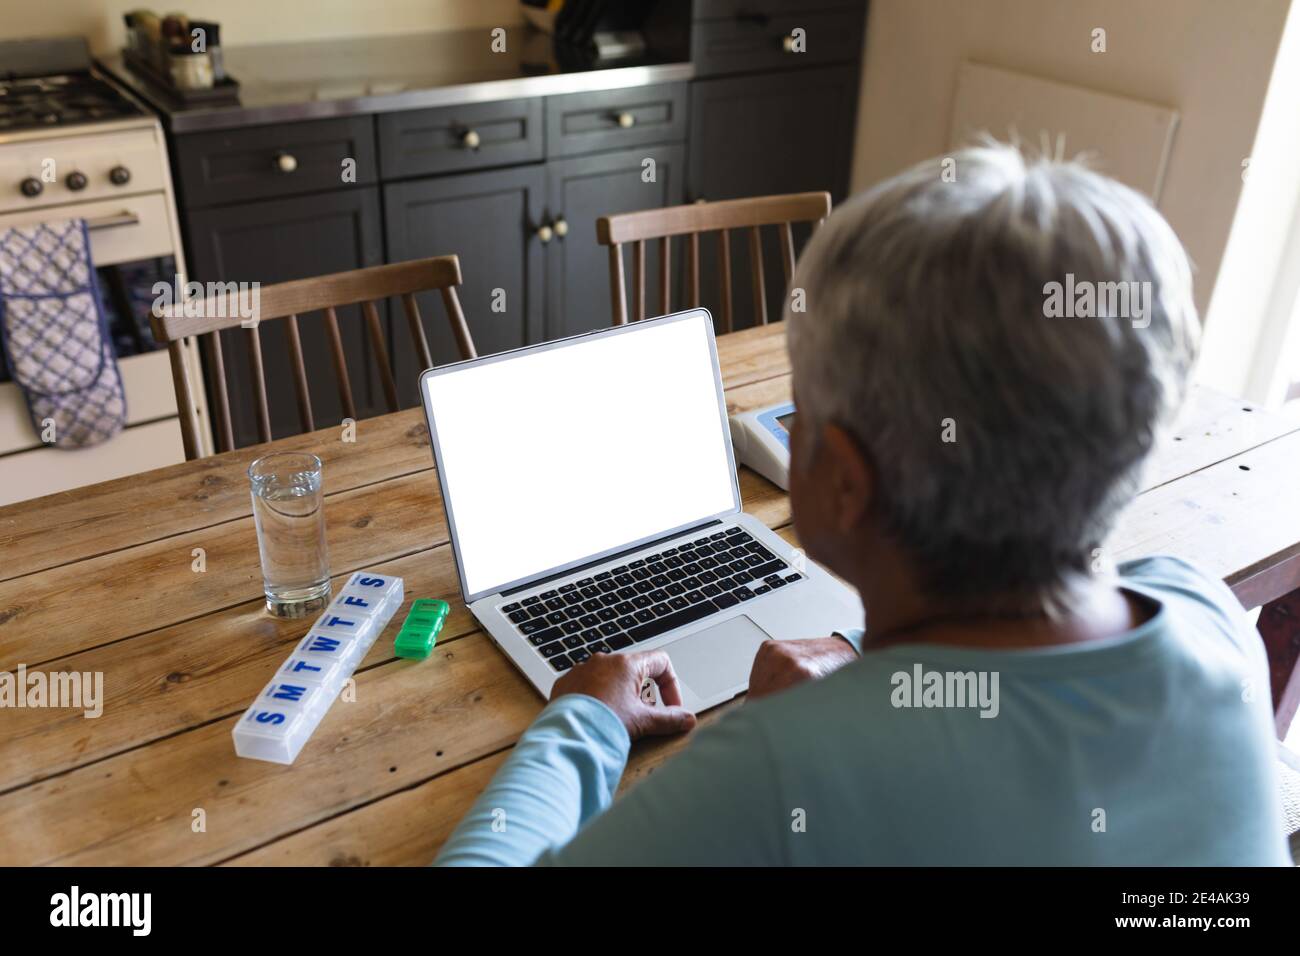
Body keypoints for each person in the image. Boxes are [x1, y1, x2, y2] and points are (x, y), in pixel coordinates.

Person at [434, 143, 1290, 866]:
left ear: (843, 480)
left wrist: (583, 718)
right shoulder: (1207, 615)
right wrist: (858, 660)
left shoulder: (775, 777)